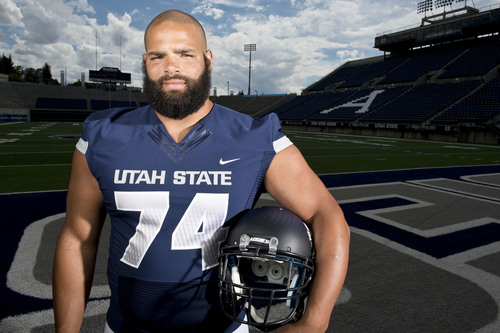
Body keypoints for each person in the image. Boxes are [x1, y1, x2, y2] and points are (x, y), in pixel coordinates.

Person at [52, 9, 350, 333]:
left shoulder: (253, 138)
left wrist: (315, 322)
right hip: (125, 327)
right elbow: (77, 239)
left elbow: (326, 214)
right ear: (144, 62)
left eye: (184, 53)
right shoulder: (103, 136)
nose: (171, 67)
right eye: (157, 56)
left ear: (208, 59)